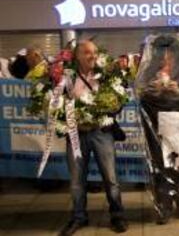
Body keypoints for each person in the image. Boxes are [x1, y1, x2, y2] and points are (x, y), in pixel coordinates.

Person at [60, 41, 128, 235]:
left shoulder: (106, 74)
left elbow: (119, 98)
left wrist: (112, 109)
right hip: (76, 133)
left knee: (110, 178)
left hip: (101, 132)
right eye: (88, 52)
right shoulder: (66, 77)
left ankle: (117, 215)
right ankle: (79, 217)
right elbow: (55, 102)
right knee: (76, 180)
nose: (92, 56)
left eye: (95, 52)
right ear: (78, 55)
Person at [136, 35, 179, 225]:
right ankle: (163, 206)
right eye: (161, 52)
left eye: (169, 52)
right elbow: (141, 94)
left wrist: (178, 90)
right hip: (157, 125)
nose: (165, 56)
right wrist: (154, 90)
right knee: (160, 167)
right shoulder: (149, 71)